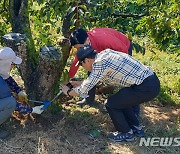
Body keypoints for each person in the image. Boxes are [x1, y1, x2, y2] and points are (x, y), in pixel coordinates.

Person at [60, 45, 160, 142]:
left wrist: (68, 92)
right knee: (122, 101)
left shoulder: (99, 64)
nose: (83, 67)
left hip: (145, 87)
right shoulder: (105, 54)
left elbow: (83, 91)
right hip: (149, 82)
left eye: (81, 64)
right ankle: (135, 128)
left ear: (87, 60)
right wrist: (80, 83)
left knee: (111, 104)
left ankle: (126, 133)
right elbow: (95, 80)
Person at [69, 28, 140, 118]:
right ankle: (89, 99)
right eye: (77, 48)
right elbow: (77, 60)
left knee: (127, 81)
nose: (79, 50)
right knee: (91, 72)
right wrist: (69, 77)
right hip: (105, 53)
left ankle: (134, 111)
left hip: (123, 48)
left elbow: (123, 53)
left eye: (79, 47)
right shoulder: (86, 45)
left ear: (87, 39)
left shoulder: (103, 40)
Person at [0, 47, 43, 139]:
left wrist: (19, 91)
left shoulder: (1, 70)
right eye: (13, 64)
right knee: (10, 102)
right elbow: (14, 104)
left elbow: (8, 79)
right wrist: (32, 110)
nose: (13, 66)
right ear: (6, 64)